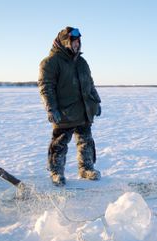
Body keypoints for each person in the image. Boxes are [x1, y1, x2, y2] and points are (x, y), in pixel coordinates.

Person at [38, 26, 102, 186]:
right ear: (65, 42)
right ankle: (56, 173)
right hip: (64, 111)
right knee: (59, 143)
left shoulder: (81, 62)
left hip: (84, 109)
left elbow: (90, 84)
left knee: (86, 141)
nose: (77, 44)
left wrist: (96, 101)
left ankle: (86, 168)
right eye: (73, 41)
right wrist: (51, 108)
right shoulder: (50, 62)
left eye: (78, 41)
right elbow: (46, 86)